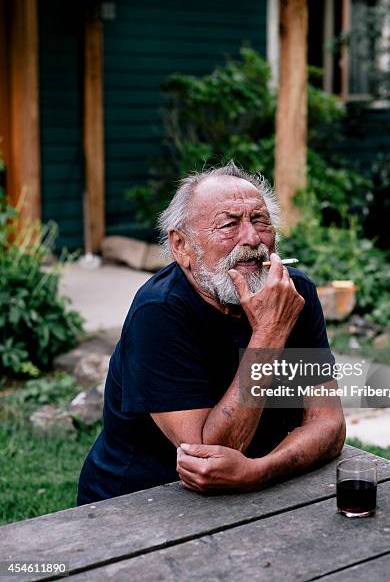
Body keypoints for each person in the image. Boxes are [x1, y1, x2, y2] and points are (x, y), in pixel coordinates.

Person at [77, 163, 345, 504]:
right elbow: (210, 458)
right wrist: (270, 333)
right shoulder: (159, 312)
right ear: (182, 246)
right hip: (140, 502)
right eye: (229, 224)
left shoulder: (293, 294)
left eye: (260, 220)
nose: (252, 239)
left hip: (251, 493)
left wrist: (259, 471)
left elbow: (330, 425)